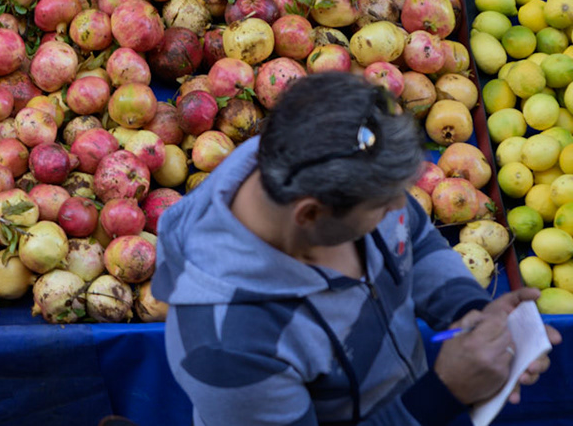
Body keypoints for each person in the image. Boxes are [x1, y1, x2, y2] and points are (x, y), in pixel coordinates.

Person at [157, 72, 559, 424]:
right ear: (310, 214)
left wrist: (464, 309)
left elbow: (416, 239)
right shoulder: (223, 345)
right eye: (381, 207)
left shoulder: (342, 170)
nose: (400, 209)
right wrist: (444, 392)